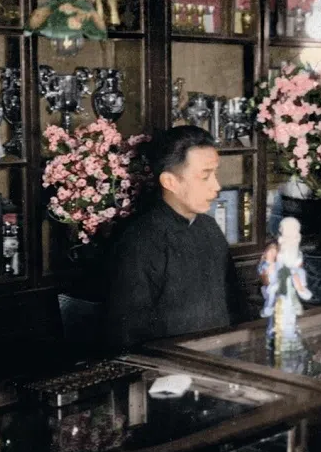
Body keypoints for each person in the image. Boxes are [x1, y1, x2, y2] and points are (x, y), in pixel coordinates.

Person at [104, 126, 249, 348]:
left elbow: (236, 309)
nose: (217, 186)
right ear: (170, 182)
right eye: (205, 176)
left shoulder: (209, 228)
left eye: (215, 174)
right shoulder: (139, 241)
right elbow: (127, 337)